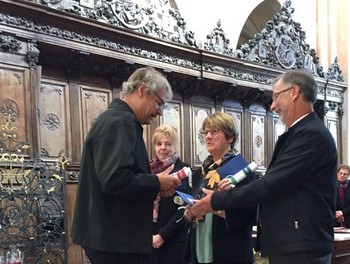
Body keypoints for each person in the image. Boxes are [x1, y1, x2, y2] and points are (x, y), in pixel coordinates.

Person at [188, 69, 338, 264]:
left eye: (276, 97)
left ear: (294, 92)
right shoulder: (299, 133)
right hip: (293, 241)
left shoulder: (311, 134)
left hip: (301, 243)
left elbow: (271, 184)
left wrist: (217, 201)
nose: (273, 106)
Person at [72, 66, 181, 264]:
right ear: (141, 90)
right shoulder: (120, 122)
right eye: (159, 103)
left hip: (112, 237)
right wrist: (156, 182)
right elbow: (115, 179)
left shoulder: (116, 119)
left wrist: (155, 185)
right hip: (115, 239)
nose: (159, 112)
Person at [185, 112, 256, 264]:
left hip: (230, 250)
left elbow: (249, 216)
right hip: (201, 248)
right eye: (206, 132)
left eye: (214, 131)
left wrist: (214, 208)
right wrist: (190, 211)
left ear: (230, 137)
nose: (208, 136)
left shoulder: (240, 170)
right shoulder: (201, 171)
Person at [150, 124, 192, 264]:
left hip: (173, 240)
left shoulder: (183, 170)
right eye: (159, 143)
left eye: (167, 144)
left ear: (174, 146)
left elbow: (185, 209)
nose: (163, 147)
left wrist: (162, 235)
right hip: (148, 240)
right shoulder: (147, 170)